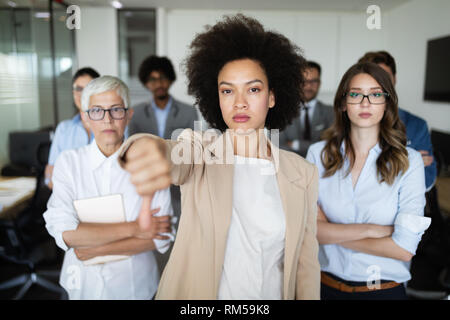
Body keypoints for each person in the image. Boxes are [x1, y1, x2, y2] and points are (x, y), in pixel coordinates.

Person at [118, 14, 320, 299]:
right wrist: (145, 148)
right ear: (217, 97)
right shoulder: (200, 151)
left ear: (272, 97)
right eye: (228, 90)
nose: (239, 102)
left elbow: (306, 265)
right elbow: (169, 151)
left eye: (253, 89)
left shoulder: (303, 173)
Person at [306, 62, 431, 300]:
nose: (365, 103)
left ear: (387, 103)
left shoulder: (409, 161)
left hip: (383, 292)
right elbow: (310, 231)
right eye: (355, 94)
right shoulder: (317, 155)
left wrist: (332, 234)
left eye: (375, 94)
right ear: (343, 103)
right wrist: (375, 231)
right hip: (325, 289)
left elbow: (404, 250)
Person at [43, 76, 174, 300]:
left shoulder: (146, 162)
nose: (107, 119)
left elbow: (161, 236)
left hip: (135, 287)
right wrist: (135, 228)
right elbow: (65, 233)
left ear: (128, 115)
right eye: (96, 111)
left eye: (116, 110)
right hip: (80, 284)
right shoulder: (68, 162)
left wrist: (94, 248)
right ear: (85, 118)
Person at [129, 55, 199, 273]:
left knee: (181, 242)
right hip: (146, 188)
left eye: (162, 78)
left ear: (170, 80)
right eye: (152, 79)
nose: (158, 84)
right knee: (150, 240)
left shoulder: (188, 111)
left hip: (179, 186)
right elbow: (131, 150)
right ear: (145, 82)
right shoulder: (136, 113)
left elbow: (192, 151)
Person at [358, 51, 437, 191]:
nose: (381, 83)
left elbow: (427, 179)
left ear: (395, 79)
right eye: (373, 77)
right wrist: (409, 165)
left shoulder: (417, 125)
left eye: (386, 77)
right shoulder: (350, 123)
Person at [45, 67, 100, 189]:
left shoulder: (113, 125)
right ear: (73, 92)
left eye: (88, 89)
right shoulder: (64, 129)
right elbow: (51, 171)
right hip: (69, 199)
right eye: (78, 89)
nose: (83, 94)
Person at [280, 61, 334, 157]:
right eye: (303, 81)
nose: (308, 86)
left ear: (319, 83)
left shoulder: (331, 112)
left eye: (313, 81)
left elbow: (331, 146)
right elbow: (275, 145)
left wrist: (296, 144)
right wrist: (315, 145)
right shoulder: (281, 111)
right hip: (288, 167)